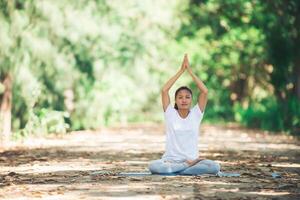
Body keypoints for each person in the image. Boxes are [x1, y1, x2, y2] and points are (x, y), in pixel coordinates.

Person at [148, 54, 220, 175]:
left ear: (191, 100)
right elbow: (164, 90)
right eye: (180, 97)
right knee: (153, 166)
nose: (184, 100)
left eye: (187, 97)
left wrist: (190, 71)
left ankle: (179, 169)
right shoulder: (170, 113)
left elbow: (205, 91)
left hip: (193, 161)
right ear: (175, 100)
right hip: (170, 161)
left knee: (215, 167)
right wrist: (181, 71)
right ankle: (185, 168)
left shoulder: (196, 114)